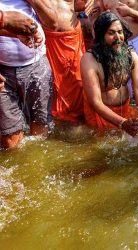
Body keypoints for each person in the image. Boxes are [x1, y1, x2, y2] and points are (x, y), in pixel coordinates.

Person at [80, 11, 138, 136]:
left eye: (120, 32)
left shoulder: (131, 55)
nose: (118, 37)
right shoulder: (89, 60)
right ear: (101, 35)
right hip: (99, 117)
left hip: (125, 111)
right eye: (111, 33)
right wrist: (122, 123)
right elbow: (95, 102)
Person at [0, 1, 53, 149]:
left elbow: (53, 21)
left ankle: (40, 168)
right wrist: (8, 22)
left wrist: (15, 32)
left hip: (37, 65)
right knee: (10, 138)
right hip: (3, 72)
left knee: (40, 128)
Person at [27, 0, 86, 124]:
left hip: (72, 40)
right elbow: (52, 22)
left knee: (77, 91)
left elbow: (82, 4)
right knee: (51, 92)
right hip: (50, 40)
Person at [89, 0, 138, 101]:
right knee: (122, 78)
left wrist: (130, 12)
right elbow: (99, 20)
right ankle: (129, 110)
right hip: (116, 43)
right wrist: (93, 19)